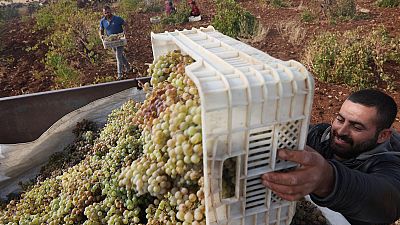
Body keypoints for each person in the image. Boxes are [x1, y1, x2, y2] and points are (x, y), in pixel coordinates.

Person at [261, 89, 400, 225]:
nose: (341, 131)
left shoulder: (390, 163)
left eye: (357, 127)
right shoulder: (319, 136)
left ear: (383, 136)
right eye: (340, 119)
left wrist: (328, 180)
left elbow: (389, 201)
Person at [99, 5, 131, 79]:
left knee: (118, 56)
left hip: (119, 40)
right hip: (111, 41)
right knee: (120, 56)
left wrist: (125, 33)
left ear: (111, 11)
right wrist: (102, 36)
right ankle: (128, 67)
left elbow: (125, 24)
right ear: (104, 13)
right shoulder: (103, 21)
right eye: (105, 13)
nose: (107, 14)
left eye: (108, 12)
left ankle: (119, 74)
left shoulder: (117, 18)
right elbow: (101, 30)